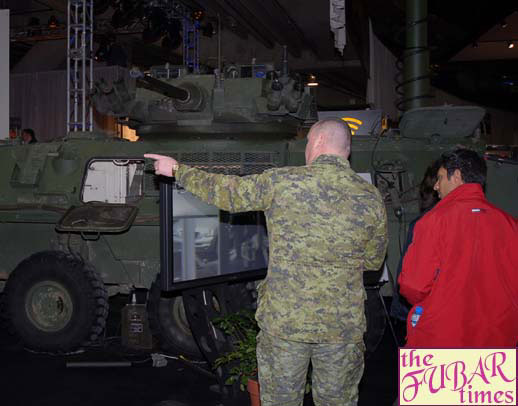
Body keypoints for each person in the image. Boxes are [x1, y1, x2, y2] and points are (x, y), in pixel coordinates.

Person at [145, 118, 387, 406]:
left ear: (320, 142)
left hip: (285, 326)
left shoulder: (282, 182)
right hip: (341, 328)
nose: (307, 148)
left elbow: (229, 193)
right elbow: (373, 262)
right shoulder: (370, 197)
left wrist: (177, 170)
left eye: (308, 142)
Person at [399, 149, 518, 347]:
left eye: (440, 178)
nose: (436, 186)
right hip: (498, 338)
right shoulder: (510, 224)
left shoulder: (432, 221)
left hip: (439, 336)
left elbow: (414, 286)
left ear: (456, 176)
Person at [389, 159, 441, 329]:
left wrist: (402, 314)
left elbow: (412, 282)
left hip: (429, 320)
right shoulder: (501, 222)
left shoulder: (425, 224)